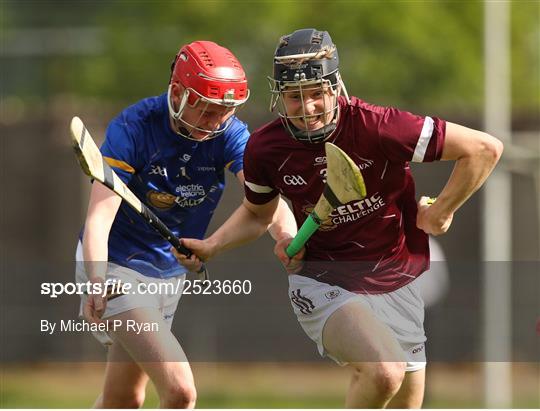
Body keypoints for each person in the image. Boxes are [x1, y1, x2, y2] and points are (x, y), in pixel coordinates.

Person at [177, 28, 503, 408]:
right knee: (384, 371)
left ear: (335, 88)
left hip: (397, 281)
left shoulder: (379, 127)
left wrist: (442, 210)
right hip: (323, 280)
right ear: (279, 96)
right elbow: (257, 212)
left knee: (405, 399)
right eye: (294, 96)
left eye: (316, 93)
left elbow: (484, 149)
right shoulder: (266, 149)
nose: (307, 107)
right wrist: (214, 245)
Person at [76, 40, 295, 408]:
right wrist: (96, 277)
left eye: (224, 111)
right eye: (206, 110)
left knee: (124, 399)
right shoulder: (134, 128)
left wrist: (287, 234)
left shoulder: (230, 134)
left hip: (168, 273)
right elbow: (98, 216)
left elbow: (266, 201)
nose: (215, 121)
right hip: (116, 270)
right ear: (177, 93)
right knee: (180, 390)